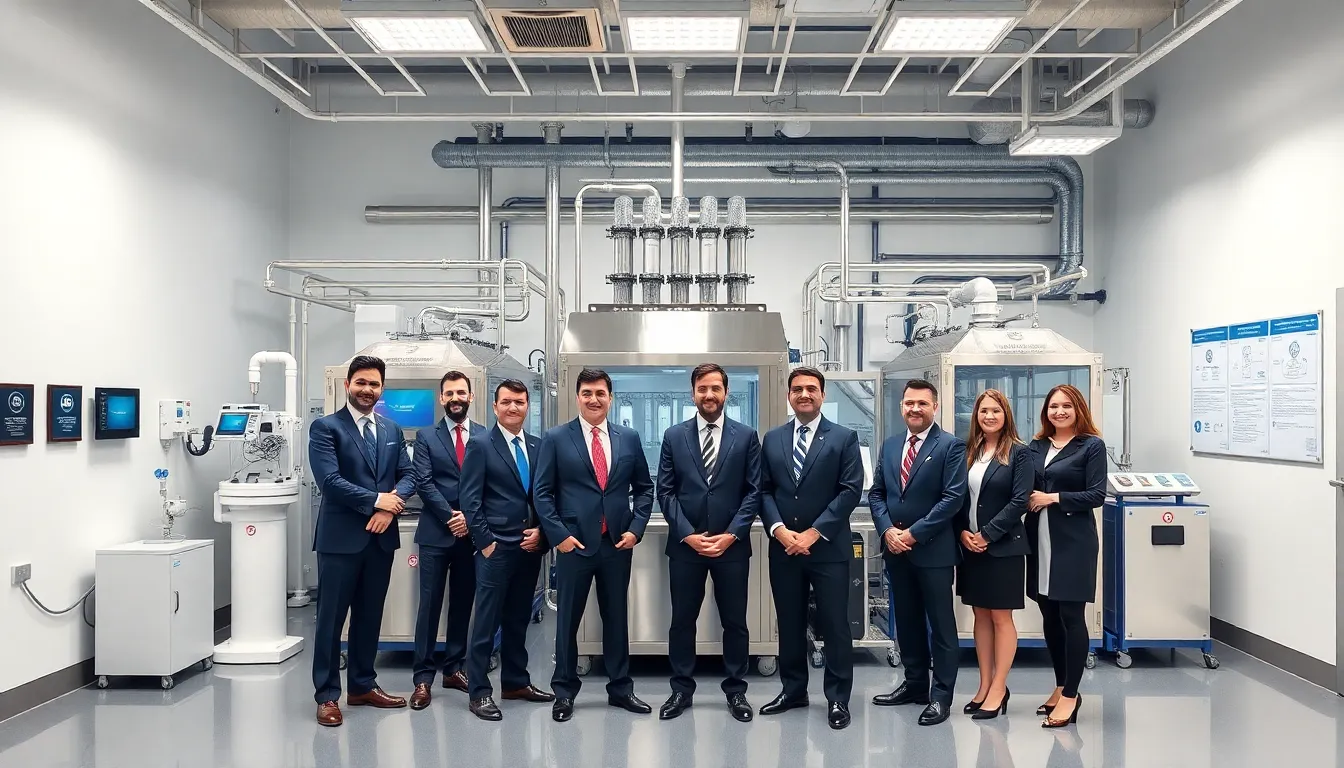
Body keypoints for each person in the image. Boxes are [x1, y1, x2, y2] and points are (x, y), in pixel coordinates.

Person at [534, 368, 655, 723]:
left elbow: (644, 489)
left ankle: (620, 689)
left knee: (616, 618)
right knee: (567, 621)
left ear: (610, 397)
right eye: (587, 392)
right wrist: (559, 536)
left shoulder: (628, 438)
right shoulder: (556, 438)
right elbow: (542, 494)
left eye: (600, 393)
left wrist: (636, 528)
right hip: (574, 545)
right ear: (577, 397)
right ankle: (565, 692)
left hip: (616, 544)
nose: (594, 399)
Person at [307, 355, 418, 727]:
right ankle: (326, 696)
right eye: (361, 383)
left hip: (380, 539)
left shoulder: (390, 429)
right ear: (347, 385)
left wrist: (389, 508)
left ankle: (361, 686)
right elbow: (330, 482)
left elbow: (408, 474)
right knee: (331, 620)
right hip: (340, 541)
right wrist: (375, 500)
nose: (367, 390)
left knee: (370, 618)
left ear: (381, 389)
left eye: (374, 384)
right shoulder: (326, 428)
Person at [757, 366, 864, 731]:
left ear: (823, 395)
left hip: (828, 550)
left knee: (835, 625)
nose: (805, 394)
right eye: (798, 389)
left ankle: (837, 699)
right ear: (789, 396)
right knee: (789, 622)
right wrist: (778, 530)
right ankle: (793, 691)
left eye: (812, 389)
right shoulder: (772, 438)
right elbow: (764, 490)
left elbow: (850, 490)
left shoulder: (844, 438)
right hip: (784, 548)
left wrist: (814, 533)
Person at [655, 363, 762, 723]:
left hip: (732, 548)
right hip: (687, 548)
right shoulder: (674, 436)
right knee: (682, 621)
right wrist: (687, 534)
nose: (709, 395)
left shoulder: (746, 436)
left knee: (735, 622)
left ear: (726, 392)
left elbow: (754, 492)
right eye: (702, 388)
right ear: (693, 393)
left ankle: (736, 691)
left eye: (715, 388)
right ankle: (681, 690)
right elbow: (665, 492)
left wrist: (732, 534)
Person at [869, 379, 967, 727]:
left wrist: (913, 533)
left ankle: (941, 696)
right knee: (907, 623)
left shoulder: (951, 447)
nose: (914, 409)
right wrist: (887, 530)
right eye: (909, 403)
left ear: (934, 407)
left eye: (922, 403)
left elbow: (952, 499)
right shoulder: (892, 445)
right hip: (897, 551)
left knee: (941, 627)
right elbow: (877, 493)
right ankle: (914, 686)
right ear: (902, 407)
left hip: (933, 552)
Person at [459, 379, 554, 721]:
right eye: (507, 402)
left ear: (528, 406)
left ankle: (516, 681)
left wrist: (543, 533)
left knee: (518, 619)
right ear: (496, 406)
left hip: (530, 548)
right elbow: (470, 500)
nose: (514, 407)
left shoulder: (538, 446)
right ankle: (479, 691)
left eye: (520, 402)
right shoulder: (481, 445)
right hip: (495, 549)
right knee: (485, 622)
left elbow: (545, 496)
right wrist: (485, 543)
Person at [1027, 384, 1106, 729]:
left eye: (1066, 406)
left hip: (1073, 542)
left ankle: (1072, 696)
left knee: (1072, 616)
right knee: (1049, 614)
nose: (1059, 411)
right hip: (1039, 539)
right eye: (1053, 406)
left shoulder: (1091, 446)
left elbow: (1097, 494)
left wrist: (1053, 498)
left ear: (1078, 409)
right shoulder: (1036, 446)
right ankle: (1060, 685)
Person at [954, 389, 1033, 720]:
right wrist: (963, 532)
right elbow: (957, 496)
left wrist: (986, 535)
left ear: (1006, 416)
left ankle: (999, 688)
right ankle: (984, 685)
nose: (989, 416)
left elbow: (1019, 501)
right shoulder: (969, 452)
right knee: (980, 616)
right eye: (984, 411)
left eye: (996, 411)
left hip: (1003, 548)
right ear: (976, 415)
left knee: (1001, 617)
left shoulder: (1020, 454)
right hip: (970, 547)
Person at [408, 371, 483, 710]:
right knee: (429, 605)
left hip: (471, 534)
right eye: (449, 393)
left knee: (463, 603)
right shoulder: (427, 436)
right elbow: (423, 482)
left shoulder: (483, 435)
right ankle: (423, 678)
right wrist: (452, 517)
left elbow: (488, 483)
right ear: (441, 398)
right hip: (437, 533)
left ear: (471, 396)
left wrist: (469, 518)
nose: (456, 398)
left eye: (461, 392)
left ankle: (454, 668)